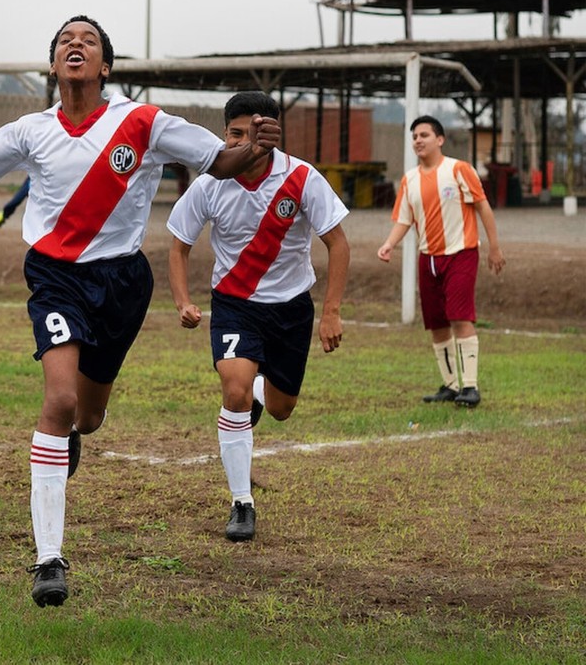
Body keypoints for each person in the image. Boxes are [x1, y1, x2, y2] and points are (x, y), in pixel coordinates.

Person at [0, 15, 279, 607]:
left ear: (105, 66)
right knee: (57, 399)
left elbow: (220, 163)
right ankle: (48, 560)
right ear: (53, 65)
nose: (75, 46)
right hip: (54, 278)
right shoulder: (31, 129)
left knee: (89, 415)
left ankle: (75, 433)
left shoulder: (143, 122)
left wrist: (251, 150)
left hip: (123, 283)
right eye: (64, 42)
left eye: (89, 41)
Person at [166, 91, 350, 543]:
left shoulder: (301, 177)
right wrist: (183, 300)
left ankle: (255, 398)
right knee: (235, 388)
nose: (244, 142)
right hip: (234, 305)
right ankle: (241, 502)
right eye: (235, 134)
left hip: (291, 308)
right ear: (224, 134)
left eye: (254, 133)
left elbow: (339, 244)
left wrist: (330, 312)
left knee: (282, 408)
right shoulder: (211, 181)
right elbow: (178, 244)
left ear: (271, 133)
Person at [376, 115, 505, 408]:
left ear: (440, 139)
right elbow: (404, 220)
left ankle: (470, 387)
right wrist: (388, 244)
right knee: (436, 323)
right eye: (414, 137)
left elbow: (484, 208)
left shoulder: (459, 169)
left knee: (460, 317)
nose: (418, 140)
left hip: (461, 253)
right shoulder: (409, 179)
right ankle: (450, 385)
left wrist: (494, 248)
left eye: (424, 135)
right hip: (428, 259)